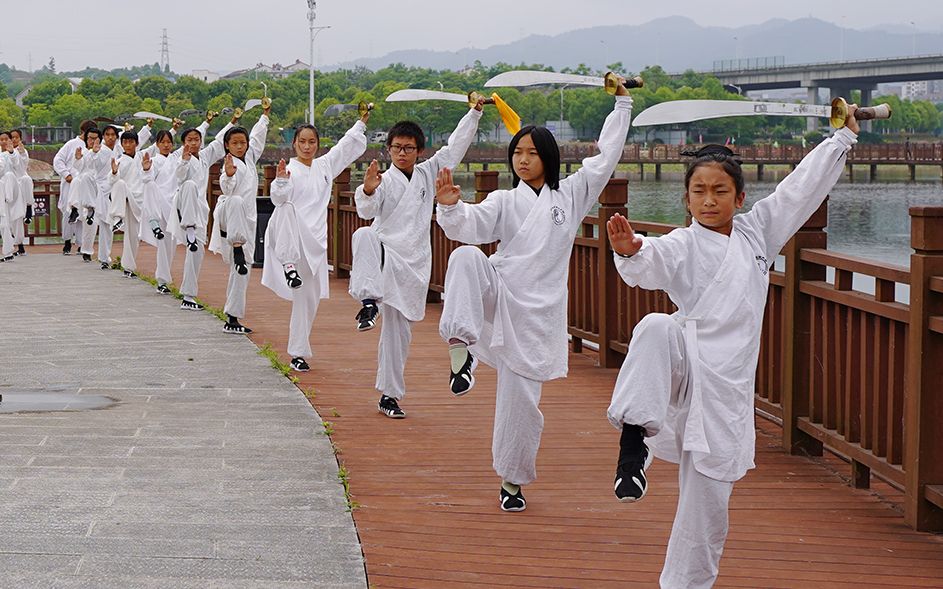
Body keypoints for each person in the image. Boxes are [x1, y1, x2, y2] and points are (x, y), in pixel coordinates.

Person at [605, 109, 860, 588]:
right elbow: (651, 260)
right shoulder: (681, 243)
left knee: (708, 508)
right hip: (683, 362)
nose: (709, 200)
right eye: (699, 192)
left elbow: (800, 189)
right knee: (657, 325)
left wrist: (841, 139)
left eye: (720, 191)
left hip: (726, 387)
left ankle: (685, 584)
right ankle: (632, 441)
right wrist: (630, 251)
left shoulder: (757, 232)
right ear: (686, 199)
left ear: (740, 198)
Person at [433, 80, 632, 512]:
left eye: (532, 153)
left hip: (537, 315)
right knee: (466, 258)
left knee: (522, 405)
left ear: (549, 158)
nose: (523, 160)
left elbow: (606, 157)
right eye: (517, 154)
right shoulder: (505, 200)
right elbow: (469, 226)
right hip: (499, 291)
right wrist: (451, 207)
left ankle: (512, 481)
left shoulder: (573, 194)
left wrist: (623, 103)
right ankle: (460, 351)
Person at [348, 102, 483, 418]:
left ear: (419, 150)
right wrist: (367, 189)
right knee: (364, 235)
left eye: (408, 148)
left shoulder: (428, 173)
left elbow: (455, 148)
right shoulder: (384, 180)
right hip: (385, 257)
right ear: (388, 150)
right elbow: (366, 212)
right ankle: (368, 302)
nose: (402, 153)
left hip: (413, 265)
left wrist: (474, 114)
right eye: (396, 148)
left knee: (398, 335)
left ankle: (389, 396)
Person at [262, 111, 369, 372]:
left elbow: (345, 147)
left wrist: (361, 123)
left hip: (314, 242)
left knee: (307, 300)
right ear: (294, 144)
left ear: (317, 144)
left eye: (312, 142)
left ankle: (298, 353)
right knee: (286, 207)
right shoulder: (289, 169)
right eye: (302, 142)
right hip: (289, 234)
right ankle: (289, 266)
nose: (307, 147)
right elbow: (278, 199)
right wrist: (280, 180)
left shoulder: (324, 166)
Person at [209, 102, 271, 334]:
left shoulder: (250, 158)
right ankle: (236, 246)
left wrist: (264, 116)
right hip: (229, 214)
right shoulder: (229, 164)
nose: (239, 146)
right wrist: (229, 175)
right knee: (234, 200)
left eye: (242, 143)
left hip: (246, 220)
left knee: (243, 268)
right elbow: (226, 187)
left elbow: (257, 137)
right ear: (227, 145)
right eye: (234, 143)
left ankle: (232, 318)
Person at [168, 116, 232, 311]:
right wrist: (185, 161)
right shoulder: (180, 159)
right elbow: (178, 178)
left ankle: (188, 296)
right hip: (183, 206)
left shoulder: (205, 157)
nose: (194, 143)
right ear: (184, 143)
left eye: (197, 139)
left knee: (196, 253)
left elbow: (220, 140)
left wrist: (232, 122)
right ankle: (188, 229)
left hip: (200, 211)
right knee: (188, 184)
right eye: (190, 140)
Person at [140, 130, 179, 293]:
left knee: (170, 245)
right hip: (158, 204)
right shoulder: (154, 161)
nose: (165, 145)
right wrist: (147, 169)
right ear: (157, 144)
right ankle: (162, 280)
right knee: (163, 244)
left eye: (168, 142)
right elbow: (146, 180)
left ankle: (164, 277)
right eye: (162, 142)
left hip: (172, 204)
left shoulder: (176, 160)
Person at [52, 120, 96, 255]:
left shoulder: (95, 147)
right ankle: (67, 242)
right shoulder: (72, 144)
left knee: (84, 212)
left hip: (85, 184)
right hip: (70, 184)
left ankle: (81, 244)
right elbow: (57, 160)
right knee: (69, 211)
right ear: (84, 132)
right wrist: (67, 175)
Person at [70, 127, 107, 262]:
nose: (92, 141)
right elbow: (78, 167)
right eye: (89, 138)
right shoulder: (84, 151)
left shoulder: (103, 152)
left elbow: (99, 167)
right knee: (88, 222)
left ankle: (97, 253)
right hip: (86, 193)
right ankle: (86, 251)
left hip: (99, 189)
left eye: (95, 138)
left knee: (98, 222)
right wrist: (78, 159)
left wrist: (94, 153)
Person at [9, 130, 34, 257]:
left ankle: (29, 208)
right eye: (11, 138)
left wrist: (22, 152)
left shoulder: (22, 152)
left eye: (16, 137)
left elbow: (23, 163)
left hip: (22, 184)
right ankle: (20, 245)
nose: (14, 140)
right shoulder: (3, 153)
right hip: (10, 187)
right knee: (15, 218)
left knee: (27, 179)